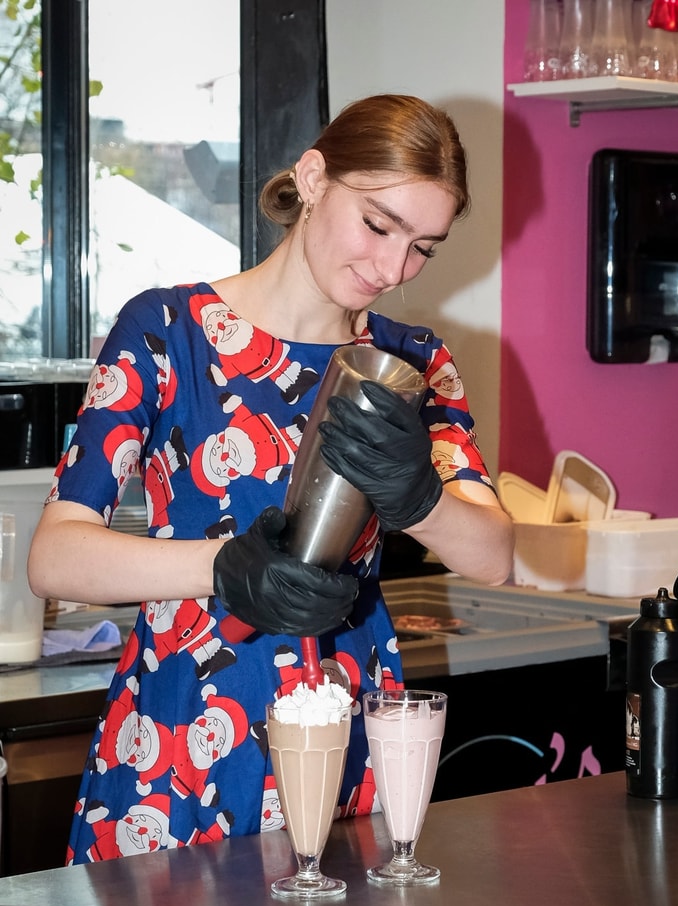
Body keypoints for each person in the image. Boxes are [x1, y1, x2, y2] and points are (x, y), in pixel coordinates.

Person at [28, 93, 514, 864]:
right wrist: (221, 567)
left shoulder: (413, 364)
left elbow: (491, 553)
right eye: (379, 225)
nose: (392, 268)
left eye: (422, 247)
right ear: (314, 178)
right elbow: (55, 554)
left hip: (348, 722)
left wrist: (418, 496)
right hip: (182, 731)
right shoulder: (166, 331)